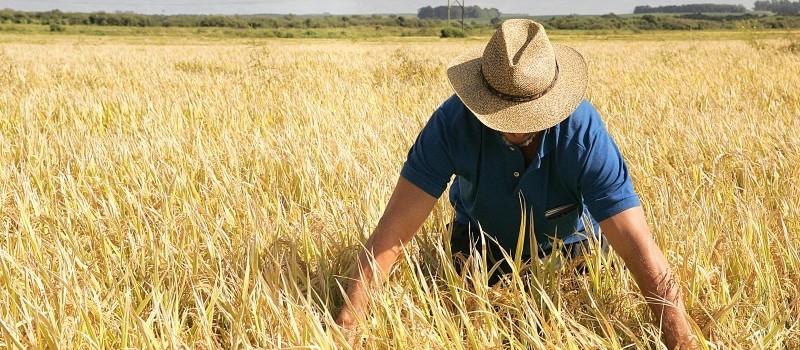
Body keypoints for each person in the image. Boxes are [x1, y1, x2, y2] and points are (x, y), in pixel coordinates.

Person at [336, 19, 698, 349]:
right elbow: (393, 232)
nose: (515, 128)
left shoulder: (584, 133)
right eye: (500, 113)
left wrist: (680, 338)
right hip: (480, 246)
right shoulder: (451, 125)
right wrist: (349, 324)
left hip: (570, 248)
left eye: (528, 114)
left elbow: (635, 242)